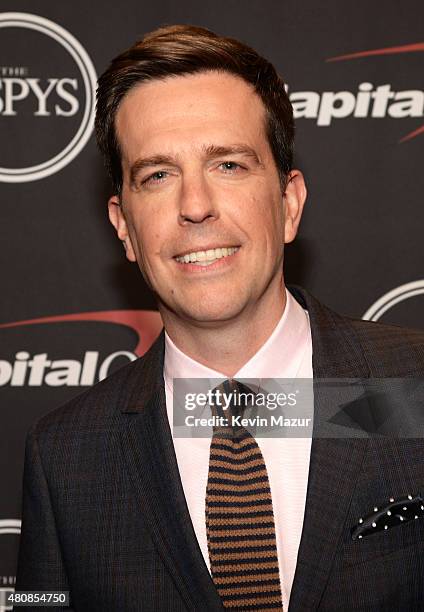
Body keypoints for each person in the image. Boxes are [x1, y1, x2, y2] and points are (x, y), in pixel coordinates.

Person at [15, 25, 424, 612]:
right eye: (157, 175)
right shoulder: (64, 456)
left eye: (229, 165)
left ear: (289, 205)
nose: (195, 206)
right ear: (124, 227)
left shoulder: (411, 389)